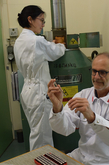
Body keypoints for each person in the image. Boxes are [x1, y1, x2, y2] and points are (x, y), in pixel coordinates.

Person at [47, 52, 109, 165]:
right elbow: (64, 128)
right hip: (84, 158)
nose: (96, 76)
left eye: (103, 72)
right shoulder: (83, 94)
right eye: (94, 71)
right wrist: (58, 108)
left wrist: (93, 118)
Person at [14, 5, 66, 151]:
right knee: (42, 138)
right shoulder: (37, 41)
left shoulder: (19, 41)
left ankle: (40, 162)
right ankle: (42, 164)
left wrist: (49, 44)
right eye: (41, 20)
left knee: (36, 132)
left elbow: (43, 49)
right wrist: (61, 45)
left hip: (27, 91)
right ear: (30, 19)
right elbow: (56, 51)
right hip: (39, 93)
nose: (43, 24)